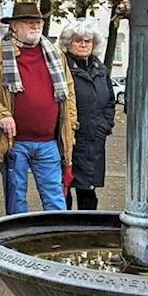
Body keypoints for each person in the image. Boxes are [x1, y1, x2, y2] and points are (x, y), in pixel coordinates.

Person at [0, 2, 77, 214]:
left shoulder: (54, 54)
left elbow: (69, 93)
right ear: (13, 26)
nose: (35, 26)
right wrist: (1, 114)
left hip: (49, 142)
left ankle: (56, 243)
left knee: (55, 199)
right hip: (14, 142)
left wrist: (71, 125)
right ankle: (16, 246)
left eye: (38, 22)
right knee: (16, 201)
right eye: (28, 22)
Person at [60, 21, 115, 211]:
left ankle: (86, 229)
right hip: (71, 138)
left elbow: (110, 100)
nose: (83, 45)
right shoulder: (61, 67)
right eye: (78, 41)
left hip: (94, 139)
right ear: (69, 43)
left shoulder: (100, 69)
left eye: (88, 41)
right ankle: (63, 229)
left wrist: (105, 125)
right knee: (64, 188)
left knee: (88, 191)